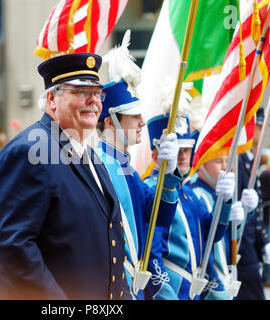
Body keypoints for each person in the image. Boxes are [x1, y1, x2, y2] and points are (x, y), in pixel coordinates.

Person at [0, 53, 131, 300]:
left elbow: (110, 239)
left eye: (97, 92)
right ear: (51, 99)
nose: (92, 100)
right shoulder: (29, 151)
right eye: (80, 92)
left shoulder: (91, 157)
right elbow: (15, 248)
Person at [96, 79, 182, 299]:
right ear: (111, 121)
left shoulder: (129, 170)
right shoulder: (97, 165)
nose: (142, 122)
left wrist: (169, 174)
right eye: (134, 116)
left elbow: (159, 217)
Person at [144, 113, 241, 300]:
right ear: (156, 154)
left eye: (187, 150)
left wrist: (224, 201)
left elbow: (211, 234)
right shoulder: (152, 188)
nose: (182, 157)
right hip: (172, 286)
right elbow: (152, 253)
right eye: (177, 150)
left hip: (191, 289)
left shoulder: (188, 193)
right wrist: (164, 293)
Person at [188, 152, 260, 299]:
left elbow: (227, 240)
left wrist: (241, 220)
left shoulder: (217, 193)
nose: (225, 166)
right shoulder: (197, 194)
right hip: (212, 279)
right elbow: (207, 246)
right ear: (202, 163)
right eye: (218, 161)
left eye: (228, 161)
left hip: (225, 276)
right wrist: (216, 288)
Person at [235, 108, 270, 300]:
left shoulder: (252, 161)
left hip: (251, 244)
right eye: (260, 126)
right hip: (242, 246)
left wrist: (265, 240)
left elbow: (256, 211)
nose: (263, 131)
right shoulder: (239, 160)